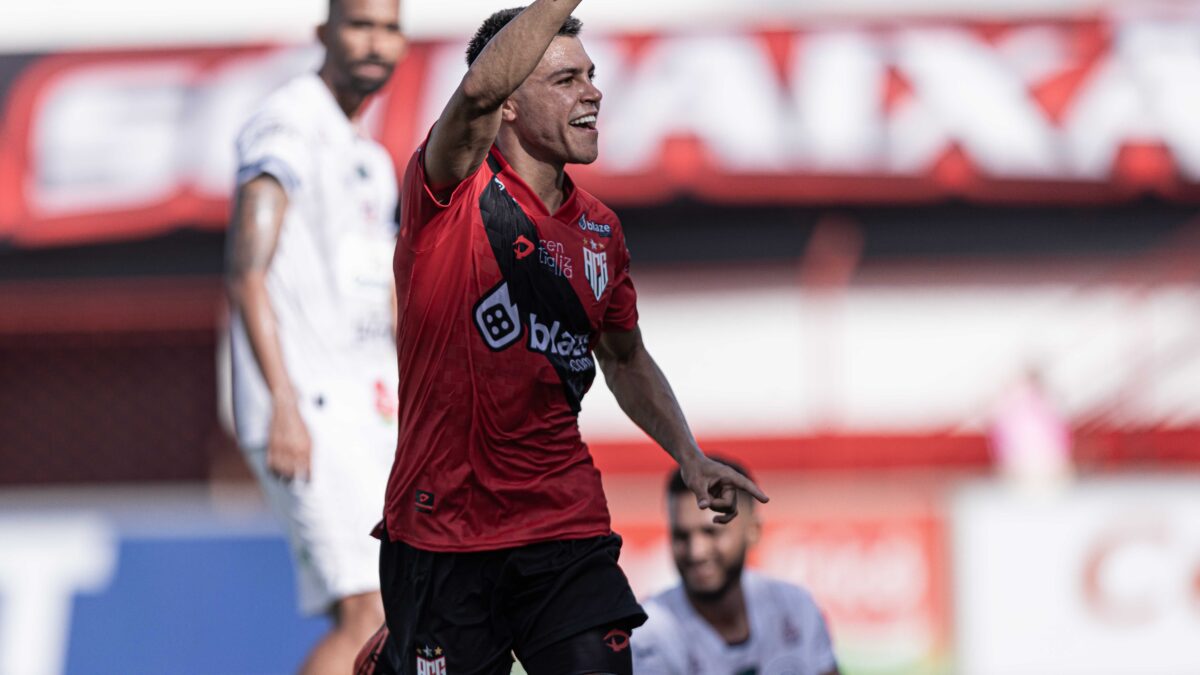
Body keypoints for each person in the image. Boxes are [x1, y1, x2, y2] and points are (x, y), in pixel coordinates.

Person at [367, 3, 769, 674]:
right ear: (510, 102)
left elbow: (625, 357)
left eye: (591, 75)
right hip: (444, 533)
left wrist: (690, 456)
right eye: (565, 80)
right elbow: (476, 92)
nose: (593, 92)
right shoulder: (451, 189)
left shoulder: (601, 231)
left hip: (563, 526)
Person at [225, 0, 407, 672]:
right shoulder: (288, 122)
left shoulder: (371, 157)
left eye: (389, 29)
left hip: (365, 409)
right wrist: (284, 402)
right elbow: (246, 270)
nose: (375, 43)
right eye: (360, 25)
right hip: (308, 404)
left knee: (389, 607)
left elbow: (383, 294)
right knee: (369, 613)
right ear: (323, 33)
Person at [633, 459, 840, 675]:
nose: (696, 552)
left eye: (712, 532)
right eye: (681, 536)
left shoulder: (796, 607)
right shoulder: (649, 633)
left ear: (753, 531)